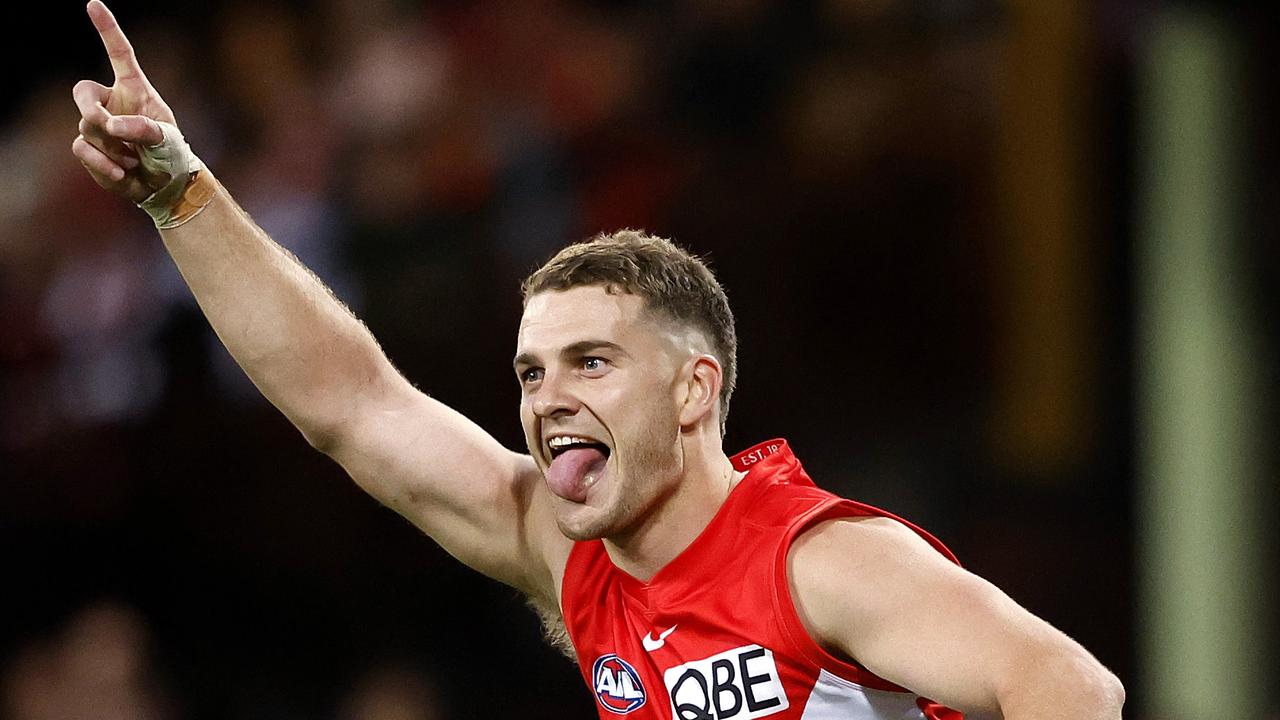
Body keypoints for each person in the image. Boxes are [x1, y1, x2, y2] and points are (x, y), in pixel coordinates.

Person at [70, 2, 1125, 718]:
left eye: (590, 363)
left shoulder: (821, 563)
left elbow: (1069, 688)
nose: (547, 400)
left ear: (691, 389)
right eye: (532, 372)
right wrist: (180, 194)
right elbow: (351, 404)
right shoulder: (568, 554)